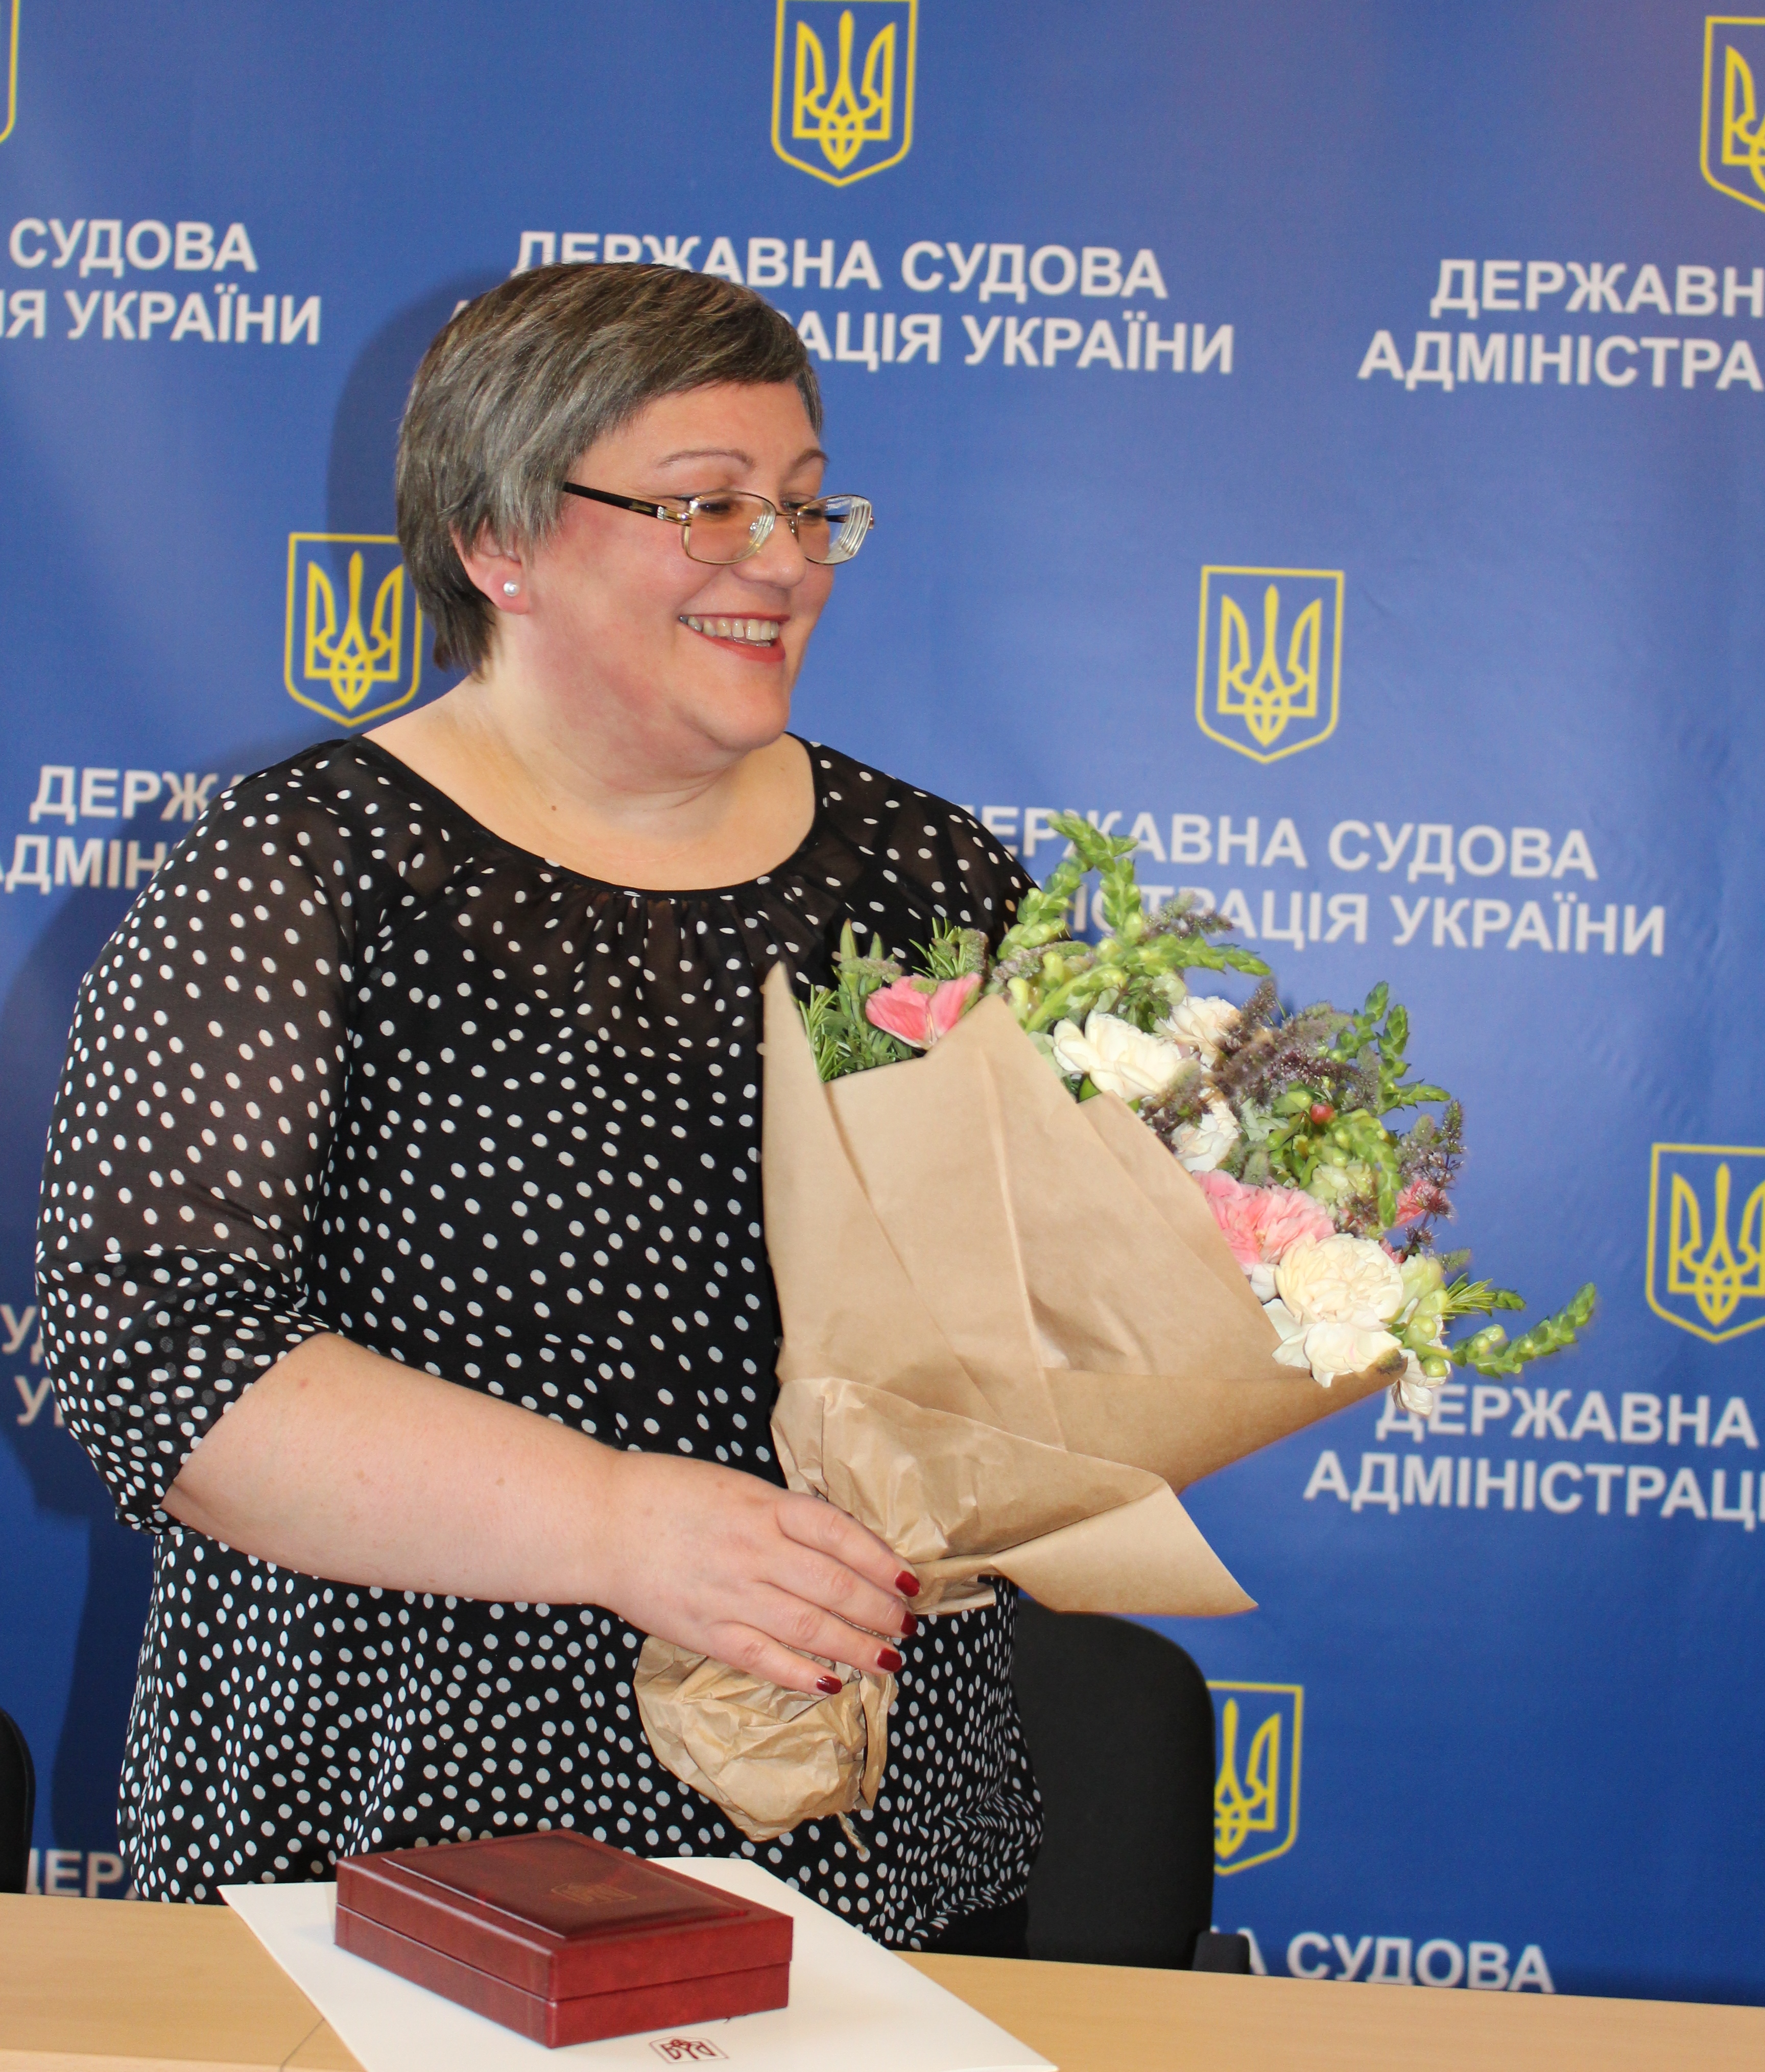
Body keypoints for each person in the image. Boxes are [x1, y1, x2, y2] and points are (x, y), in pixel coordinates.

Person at [38, 263, 1041, 1951]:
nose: (783, 559)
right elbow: (161, 1357)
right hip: (398, 1830)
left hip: (865, 1823)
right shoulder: (299, 874)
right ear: (501, 539)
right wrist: (617, 1523)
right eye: (708, 505)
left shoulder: (922, 876)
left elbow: (1023, 1289)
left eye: (806, 506)